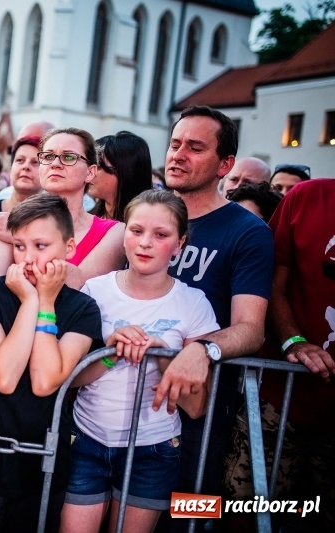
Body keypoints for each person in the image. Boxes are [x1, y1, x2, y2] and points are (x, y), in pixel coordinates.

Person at [0, 194, 102, 533]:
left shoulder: (84, 309)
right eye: (19, 246)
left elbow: (45, 380)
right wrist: (29, 300)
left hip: (42, 468)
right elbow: (4, 376)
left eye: (41, 246)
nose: (28, 258)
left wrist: (46, 305)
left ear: (69, 248)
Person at [62, 190, 218, 533]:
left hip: (155, 448)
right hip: (87, 439)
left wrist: (164, 355)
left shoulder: (194, 303)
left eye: (161, 235)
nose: (145, 243)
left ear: (179, 244)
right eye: (136, 230)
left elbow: (196, 407)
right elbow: (68, 378)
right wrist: (109, 353)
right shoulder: (94, 291)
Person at [154, 105, 273, 533]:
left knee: (189, 512)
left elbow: (251, 328)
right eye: (174, 143)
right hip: (123, 403)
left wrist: (203, 349)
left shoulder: (247, 231)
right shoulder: (146, 216)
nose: (178, 154)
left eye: (195, 147)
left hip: (199, 409)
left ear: (225, 165)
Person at [223, 178, 335, 531]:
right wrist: (294, 340)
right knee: (240, 511)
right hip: (278, 399)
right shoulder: (308, 197)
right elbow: (270, 278)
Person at [0, 128, 125, 291]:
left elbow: (83, 284)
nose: (55, 164)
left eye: (69, 157)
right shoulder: (10, 223)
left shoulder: (114, 232)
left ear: (90, 173)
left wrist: (21, 238)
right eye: (48, 156)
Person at [0, 136, 42, 278]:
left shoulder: (51, 221)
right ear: (11, 169)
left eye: (35, 162)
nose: (26, 166)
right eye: (20, 160)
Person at [88, 131, 153, 222]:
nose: (89, 172)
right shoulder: (86, 219)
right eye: (90, 166)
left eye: (98, 167)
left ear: (124, 170)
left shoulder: (142, 225)